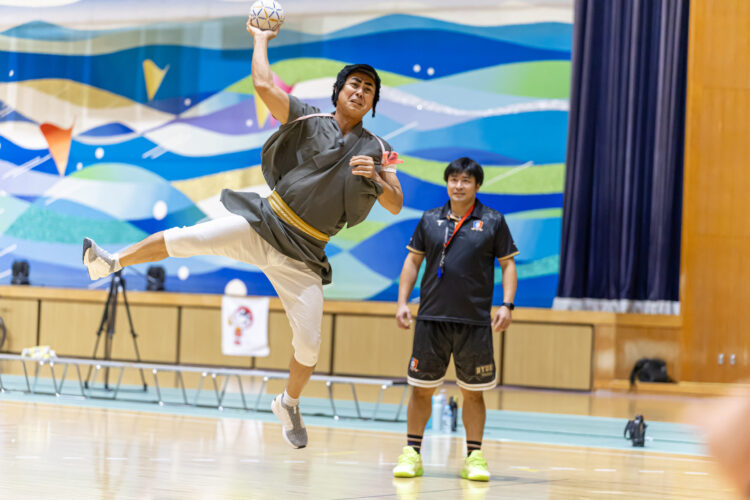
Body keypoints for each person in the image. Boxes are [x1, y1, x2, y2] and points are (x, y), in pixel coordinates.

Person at [81, 21, 403, 449]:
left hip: (305, 255)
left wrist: (378, 179)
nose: (360, 92)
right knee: (187, 238)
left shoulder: (379, 149)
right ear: (339, 91)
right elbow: (264, 84)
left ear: (374, 103)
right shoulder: (309, 117)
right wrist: (260, 38)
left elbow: (396, 203)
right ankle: (111, 261)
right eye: (354, 84)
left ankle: (288, 403)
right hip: (265, 223)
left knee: (309, 345)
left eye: (369, 89)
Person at [392, 157, 517, 481]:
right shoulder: (429, 219)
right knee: (421, 389)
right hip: (431, 318)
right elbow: (412, 262)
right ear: (447, 183)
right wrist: (403, 302)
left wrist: (507, 305)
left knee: (473, 392)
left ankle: (474, 457)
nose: (458, 186)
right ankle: (412, 454)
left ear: (477, 185)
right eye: (453, 180)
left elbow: (507, 265)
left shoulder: (493, 221)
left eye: (466, 181)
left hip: (474, 322)